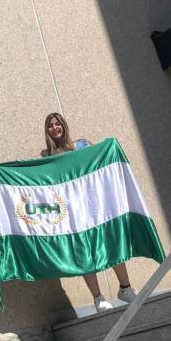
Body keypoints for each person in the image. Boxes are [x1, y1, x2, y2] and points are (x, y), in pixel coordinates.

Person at [42, 112, 137, 314]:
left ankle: (125, 288)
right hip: (71, 214)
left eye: (57, 124)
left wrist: (107, 148)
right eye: (50, 126)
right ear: (47, 131)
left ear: (64, 126)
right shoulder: (45, 157)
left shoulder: (83, 145)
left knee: (111, 244)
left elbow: (100, 168)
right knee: (83, 254)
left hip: (93, 207)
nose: (54, 128)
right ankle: (98, 298)